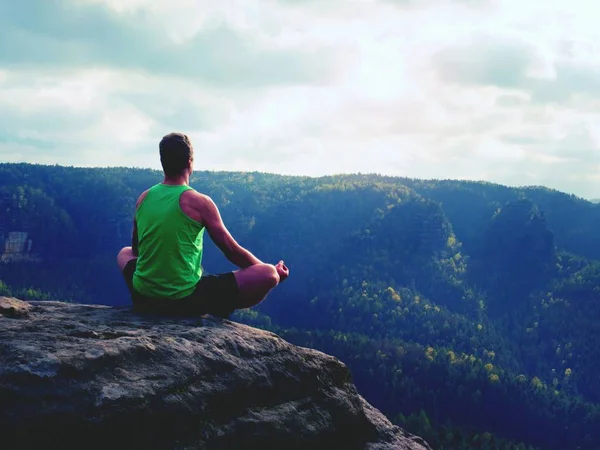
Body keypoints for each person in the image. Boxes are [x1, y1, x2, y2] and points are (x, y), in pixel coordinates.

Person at [117, 132, 289, 318]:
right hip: (184, 301)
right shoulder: (199, 202)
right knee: (269, 275)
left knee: (124, 253)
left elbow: (136, 249)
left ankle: (155, 293)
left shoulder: (144, 198)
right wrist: (269, 270)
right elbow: (231, 250)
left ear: (162, 162)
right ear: (190, 162)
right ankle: (218, 307)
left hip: (143, 298)